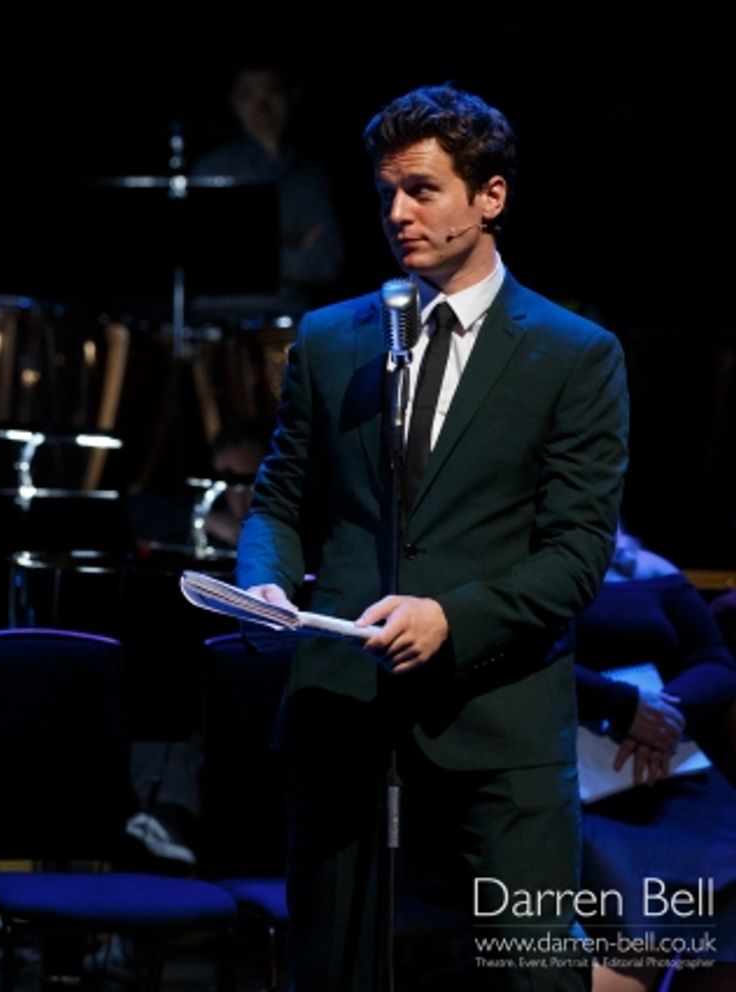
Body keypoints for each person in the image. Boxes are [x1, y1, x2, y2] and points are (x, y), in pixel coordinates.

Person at [238, 84, 628, 989]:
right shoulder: (336, 340)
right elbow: (279, 503)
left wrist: (452, 616)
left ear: (490, 197)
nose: (397, 214)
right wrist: (263, 582)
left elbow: (576, 557)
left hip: (499, 717)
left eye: (421, 190)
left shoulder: (574, 353)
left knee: (530, 973)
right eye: (386, 195)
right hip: (344, 705)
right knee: (331, 969)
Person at [574, 530, 736, 991]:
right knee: (633, 926)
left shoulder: (648, 567)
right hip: (589, 777)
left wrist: (667, 711)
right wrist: (625, 706)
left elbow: (715, 660)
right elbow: (524, 658)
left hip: (673, 763)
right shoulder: (523, 567)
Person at [192, 64, 344, 301]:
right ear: (234, 102)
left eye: (272, 93)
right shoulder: (212, 170)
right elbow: (208, 261)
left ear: (291, 96)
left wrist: (252, 252)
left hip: (293, 319)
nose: (261, 108)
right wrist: (292, 251)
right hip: (223, 318)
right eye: (248, 95)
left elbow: (327, 264)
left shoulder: (311, 175)